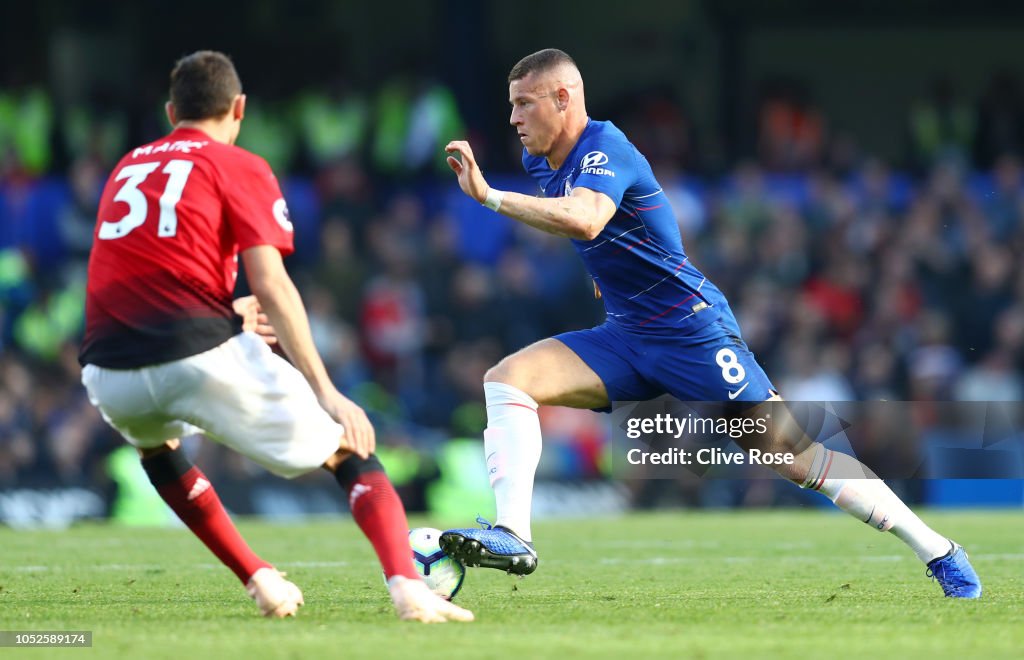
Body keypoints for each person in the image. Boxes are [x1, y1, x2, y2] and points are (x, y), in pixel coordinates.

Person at [440, 48, 980, 598]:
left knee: (795, 456)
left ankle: (937, 548)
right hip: (626, 335)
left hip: (690, 333)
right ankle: (515, 535)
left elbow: (585, 218)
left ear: (563, 97)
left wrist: (489, 197)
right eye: (512, 106)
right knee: (507, 379)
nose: (513, 118)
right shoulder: (542, 162)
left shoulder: (607, 148)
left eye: (524, 103)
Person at [78, 50, 473, 622]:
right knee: (350, 448)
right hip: (192, 354)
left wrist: (225, 314)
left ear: (171, 112)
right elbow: (271, 284)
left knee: (158, 450)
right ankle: (410, 588)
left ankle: (259, 578)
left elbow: (140, 274)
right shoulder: (237, 164)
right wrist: (326, 389)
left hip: (107, 372)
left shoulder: (127, 167)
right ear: (239, 109)